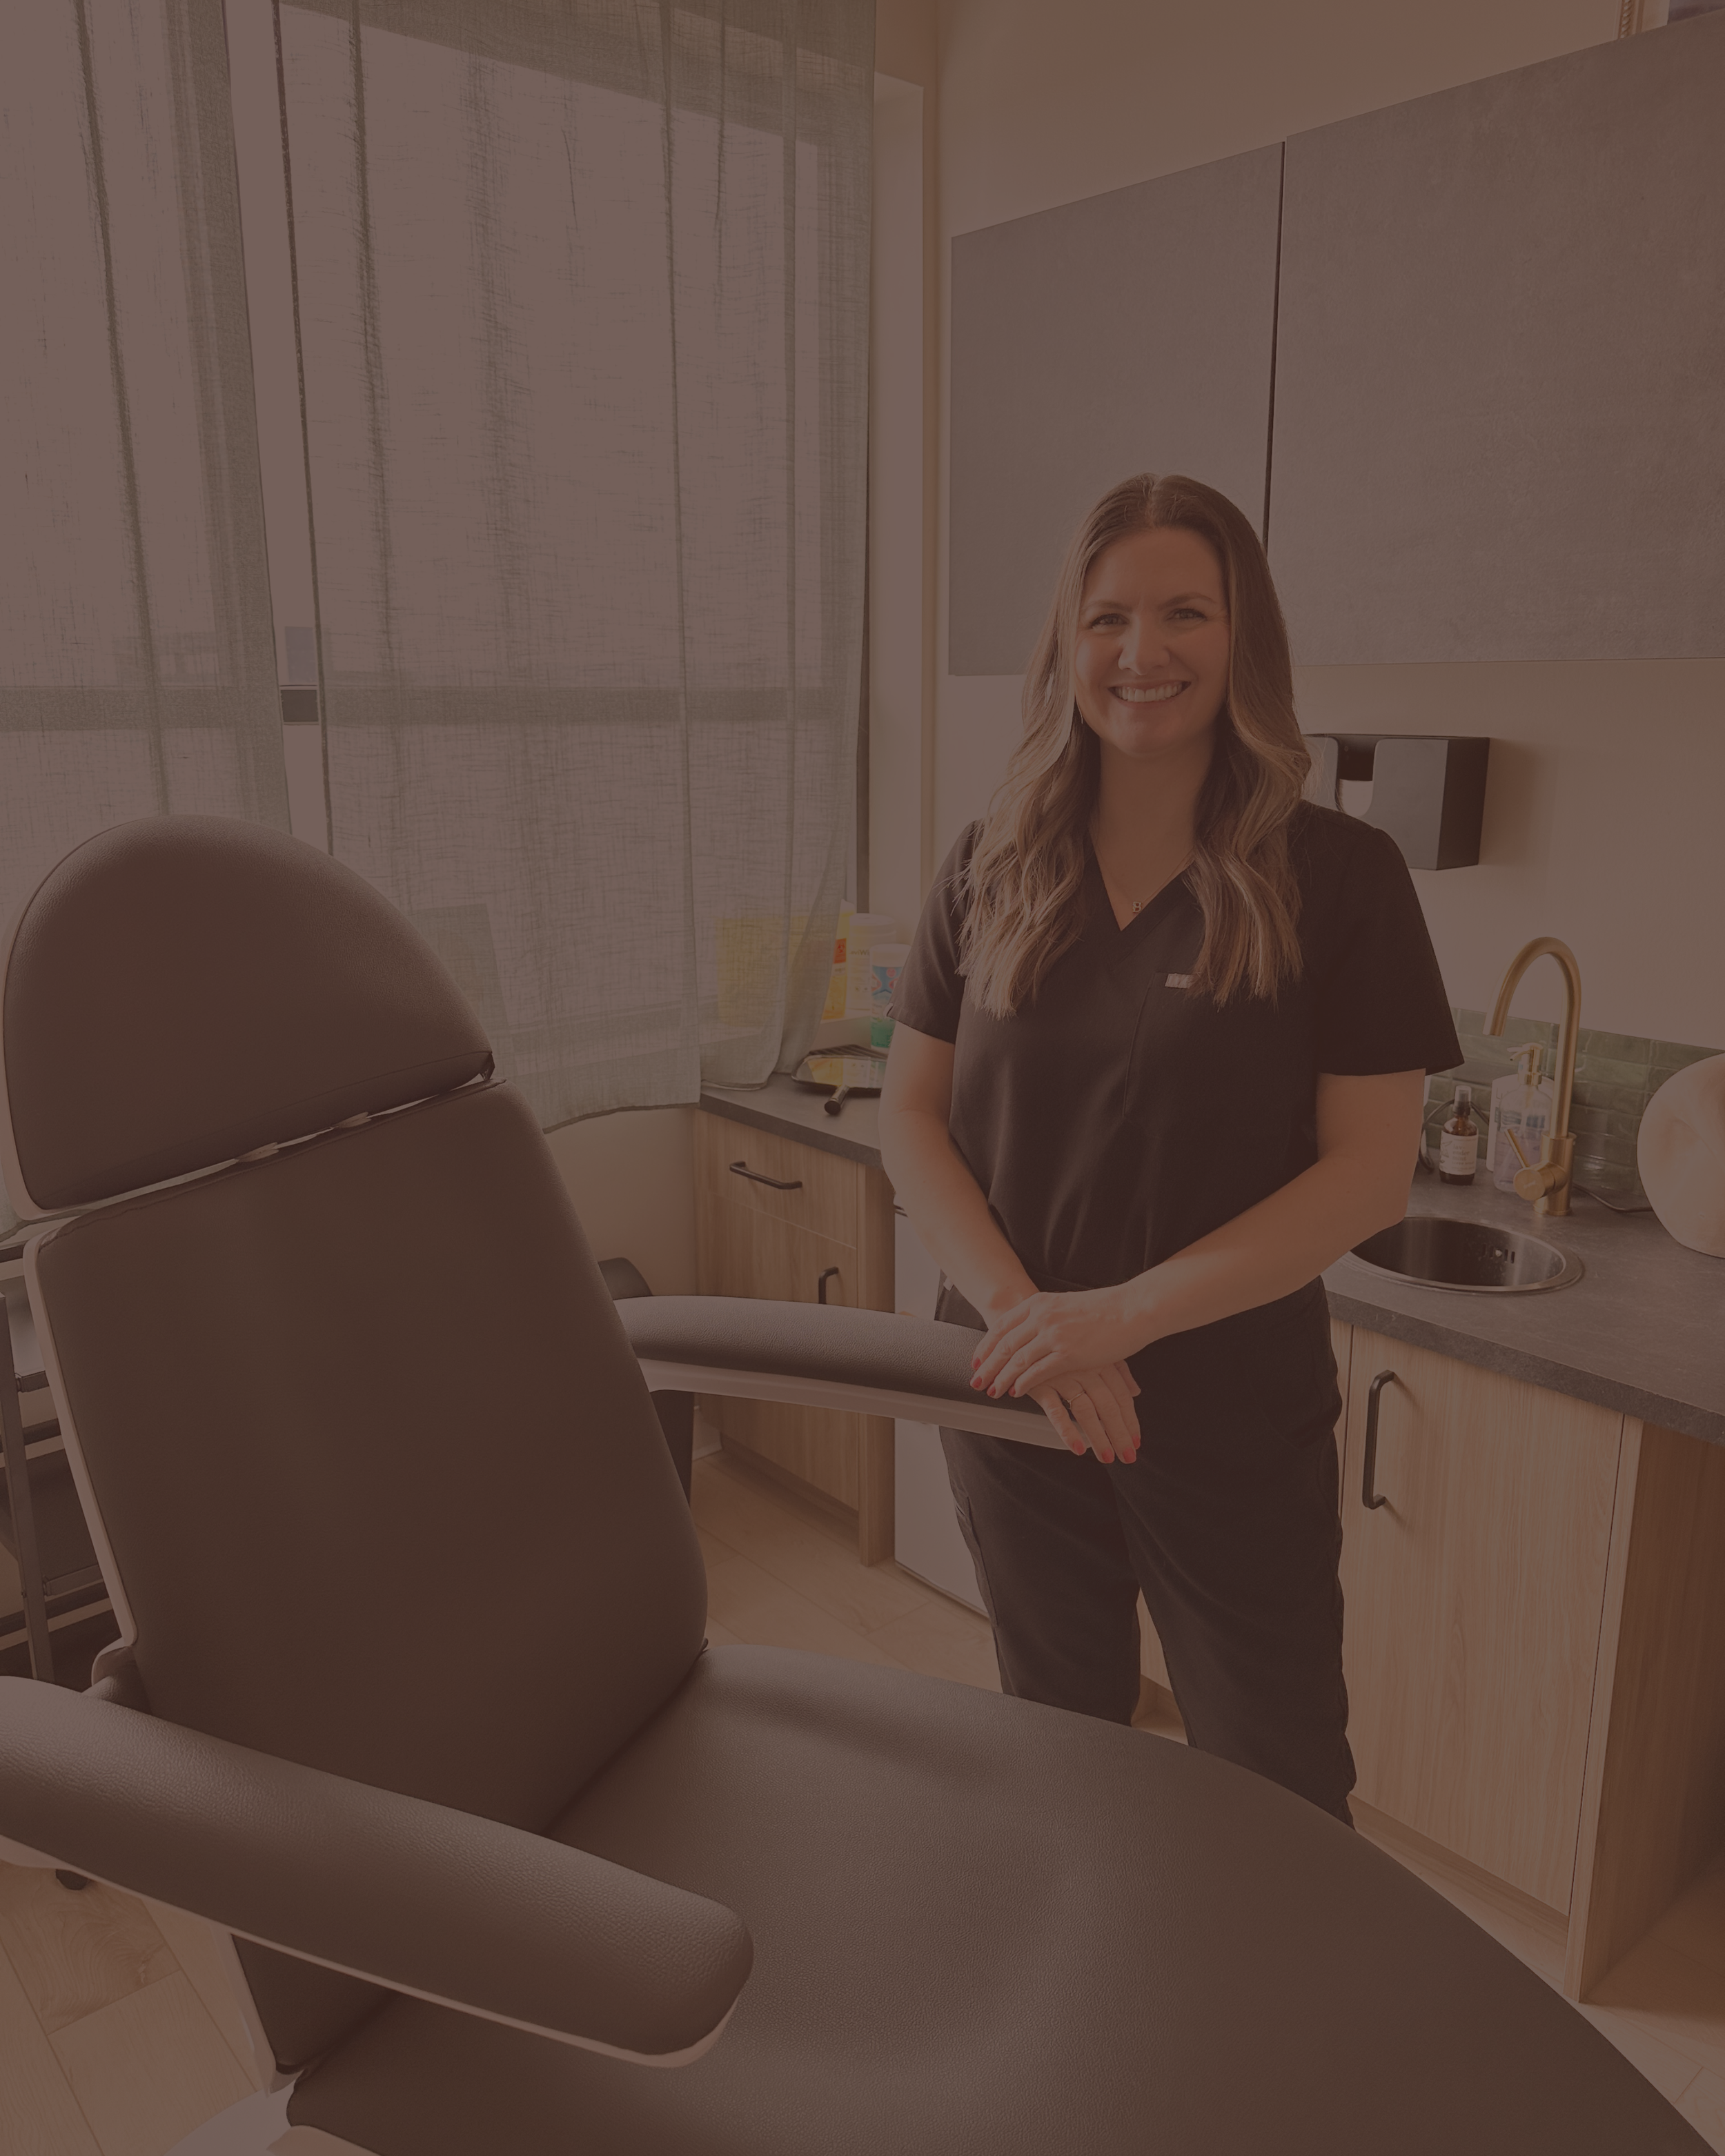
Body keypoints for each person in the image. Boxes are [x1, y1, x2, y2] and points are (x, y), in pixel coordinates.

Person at [875, 473, 1461, 1826]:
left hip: (1222, 1400)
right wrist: (1034, 1323)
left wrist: (1119, 1318)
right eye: (1107, 618)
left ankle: (1273, 2027)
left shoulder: (1336, 877)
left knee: (1277, 1772)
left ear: (1239, 636)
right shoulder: (987, 865)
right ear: (1064, 645)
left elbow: (1367, 1167)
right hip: (1013, 1389)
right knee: (1059, 1738)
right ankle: (1101, 2003)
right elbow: (912, 1114)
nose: (1140, 653)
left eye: (1183, 612)